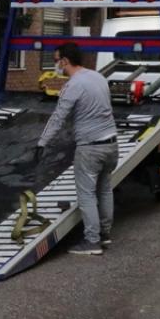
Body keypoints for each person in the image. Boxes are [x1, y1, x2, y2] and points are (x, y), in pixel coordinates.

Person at [36, 42, 119, 256]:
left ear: (65, 61)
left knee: (87, 195)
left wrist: (42, 143)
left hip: (90, 148)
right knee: (104, 189)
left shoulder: (74, 85)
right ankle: (105, 234)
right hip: (111, 144)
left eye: (56, 61)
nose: (56, 66)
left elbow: (58, 117)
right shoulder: (99, 77)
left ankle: (92, 241)